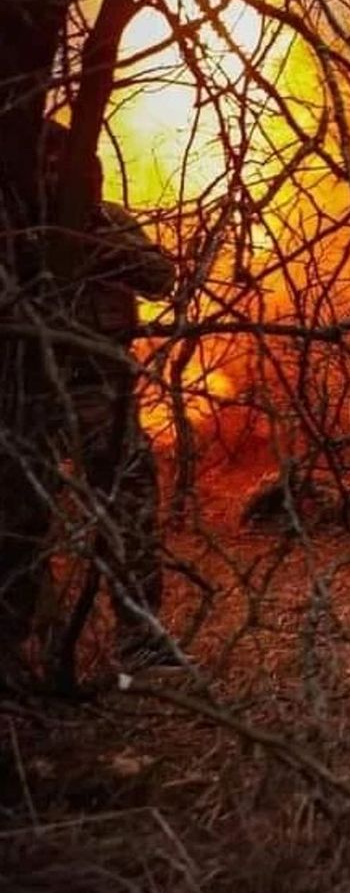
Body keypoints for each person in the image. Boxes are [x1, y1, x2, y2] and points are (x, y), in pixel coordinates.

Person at [37, 120, 178, 670]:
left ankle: (139, 637)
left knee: (130, 505)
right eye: (45, 164)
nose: (58, 175)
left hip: (104, 389)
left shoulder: (109, 219)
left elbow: (159, 276)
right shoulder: (18, 226)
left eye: (67, 164)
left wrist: (94, 239)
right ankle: (38, 640)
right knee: (26, 515)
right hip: (31, 393)